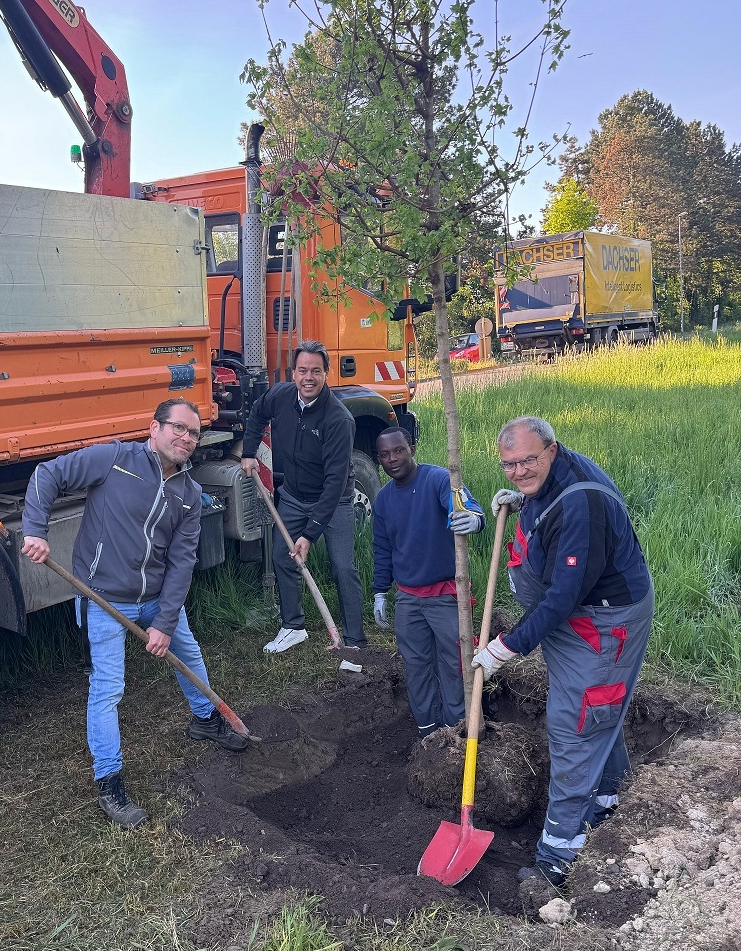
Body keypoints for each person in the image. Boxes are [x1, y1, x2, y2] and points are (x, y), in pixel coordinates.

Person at [21, 398, 247, 829]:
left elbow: (183, 563)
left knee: (189, 655)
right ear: (154, 428)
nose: (185, 438)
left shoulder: (189, 495)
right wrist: (35, 530)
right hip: (102, 598)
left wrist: (163, 622)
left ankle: (205, 720)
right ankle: (110, 781)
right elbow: (48, 474)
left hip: (158, 599)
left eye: (193, 433)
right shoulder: (114, 460)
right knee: (107, 688)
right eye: (178, 428)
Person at [473, 416, 654, 890]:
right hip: (575, 617)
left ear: (552, 450)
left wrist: (507, 646)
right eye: (508, 464)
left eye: (527, 461)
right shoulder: (548, 484)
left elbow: (563, 595)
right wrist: (524, 502)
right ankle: (609, 798)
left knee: (575, 724)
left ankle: (559, 855)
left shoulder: (581, 503)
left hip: (601, 624)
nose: (517, 471)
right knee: (597, 710)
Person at [241, 340, 367, 653]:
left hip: (333, 500)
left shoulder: (339, 420)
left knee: (342, 566)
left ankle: (353, 640)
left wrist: (310, 535)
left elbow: (336, 481)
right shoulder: (281, 396)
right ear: (293, 373)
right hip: (294, 496)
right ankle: (293, 626)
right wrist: (248, 453)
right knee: (283, 557)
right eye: (302, 370)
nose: (307, 377)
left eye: (315, 371)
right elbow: (257, 414)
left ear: (326, 373)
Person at [372, 428, 485, 737]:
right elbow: (382, 549)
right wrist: (380, 591)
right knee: (417, 666)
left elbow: (464, 506)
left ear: (411, 447)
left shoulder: (437, 480)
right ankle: (428, 733)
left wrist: (473, 517)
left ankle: (458, 732)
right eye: (384, 455)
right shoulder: (383, 500)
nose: (392, 459)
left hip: (445, 595)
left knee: (455, 664)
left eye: (398, 450)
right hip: (408, 598)